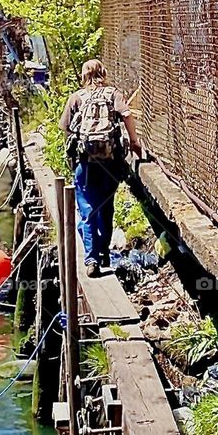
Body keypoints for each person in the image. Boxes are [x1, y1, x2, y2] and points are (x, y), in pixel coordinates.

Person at [59, 59, 141, 278]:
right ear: (103, 73)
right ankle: (104, 251)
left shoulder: (77, 97)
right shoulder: (113, 94)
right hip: (111, 162)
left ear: (84, 76)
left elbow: (65, 128)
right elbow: (127, 115)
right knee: (107, 206)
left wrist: (74, 152)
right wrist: (134, 142)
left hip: (85, 163)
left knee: (87, 209)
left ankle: (92, 258)